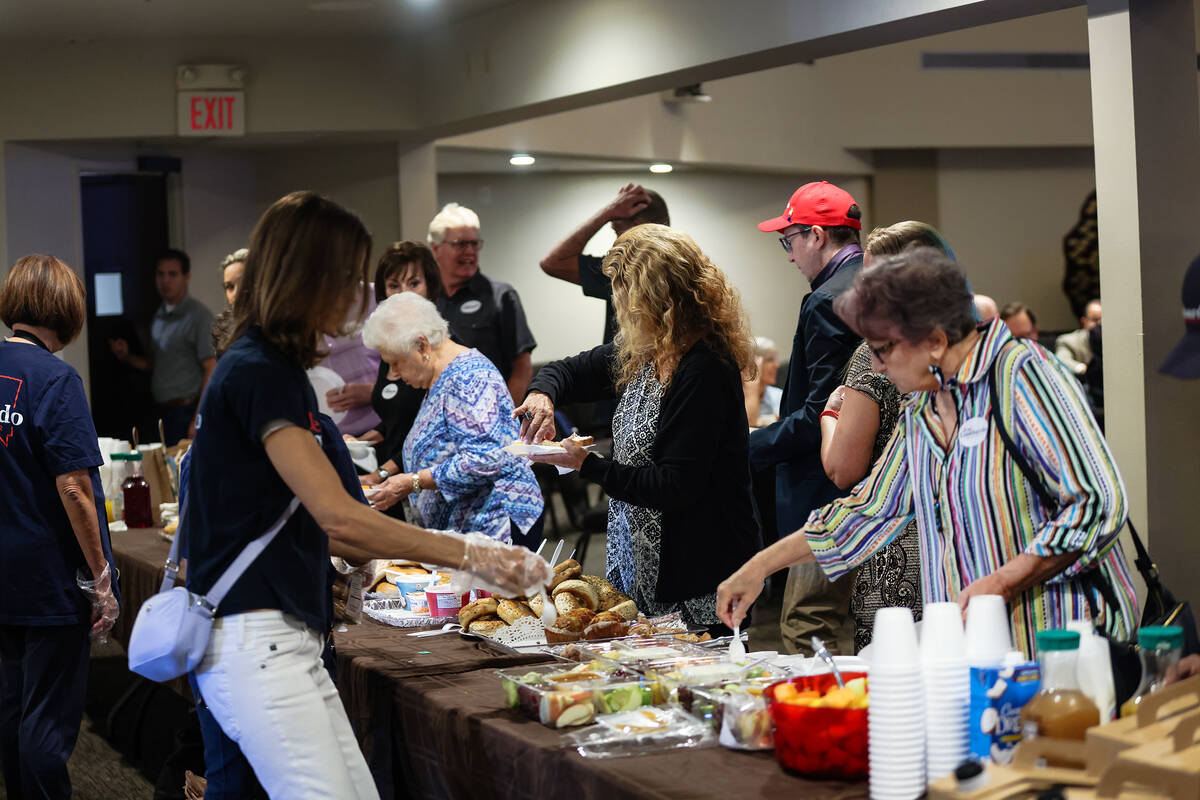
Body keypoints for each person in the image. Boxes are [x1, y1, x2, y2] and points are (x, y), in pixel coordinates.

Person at [185, 191, 552, 797]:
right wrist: (475, 555)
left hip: (282, 631)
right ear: (310, 277)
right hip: (258, 634)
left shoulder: (271, 367)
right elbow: (340, 518)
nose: (362, 294)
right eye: (351, 275)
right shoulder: (259, 370)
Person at [718, 247, 1138, 657]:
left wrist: (1005, 581)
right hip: (978, 647)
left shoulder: (1022, 375)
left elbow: (1098, 503)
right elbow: (869, 511)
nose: (878, 367)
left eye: (884, 350)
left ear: (935, 341)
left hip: (1061, 641)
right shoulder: (924, 406)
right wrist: (758, 567)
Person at [515, 224, 762, 632]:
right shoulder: (647, 351)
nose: (616, 299)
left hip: (698, 563)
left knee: (700, 682)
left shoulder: (703, 368)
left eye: (620, 288)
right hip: (641, 559)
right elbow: (565, 370)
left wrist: (586, 465)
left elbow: (674, 485)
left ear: (651, 295)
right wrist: (543, 395)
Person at [0, 254, 120, 799]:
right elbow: (74, 488)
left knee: (10, 713)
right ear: (65, 310)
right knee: (45, 726)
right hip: (47, 579)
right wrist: (101, 575)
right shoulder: (56, 379)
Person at [820, 220, 956, 651]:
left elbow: (842, 469)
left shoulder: (1014, 371)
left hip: (905, 570)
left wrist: (829, 414)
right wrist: (760, 566)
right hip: (947, 582)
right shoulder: (920, 396)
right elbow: (874, 498)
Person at [748, 180, 865, 655]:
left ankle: (815, 725)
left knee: (807, 626)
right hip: (876, 487)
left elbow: (820, 412)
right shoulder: (873, 280)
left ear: (816, 235)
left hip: (828, 492)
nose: (790, 253)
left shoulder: (826, 300)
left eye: (790, 239)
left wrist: (743, 446)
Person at [360, 292, 544, 547]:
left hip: (495, 530)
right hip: (470, 533)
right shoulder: (442, 378)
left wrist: (414, 481)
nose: (395, 374)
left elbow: (487, 457)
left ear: (422, 346)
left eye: (396, 363)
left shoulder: (468, 378)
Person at [358, 242, 445, 508]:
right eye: (394, 286)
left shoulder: (441, 351)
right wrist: (366, 438)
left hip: (421, 481)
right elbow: (398, 416)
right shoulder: (392, 347)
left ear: (429, 287)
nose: (403, 295)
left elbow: (430, 432)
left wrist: (382, 472)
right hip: (396, 482)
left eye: (413, 283)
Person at [429, 203, 536, 402]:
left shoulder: (501, 295)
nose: (470, 251)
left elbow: (523, 367)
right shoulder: (426, 300)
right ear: (436, 249)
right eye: (460, 244)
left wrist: (505, 416)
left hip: (491, 414)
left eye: (474, 243)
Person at [539, 183, 670, 345]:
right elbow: (552, 263)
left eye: (618, 231)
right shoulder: (619, 273)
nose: (615, 243)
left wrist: (607, 212)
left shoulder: (628, 274)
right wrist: (609, 211)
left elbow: (553, 263)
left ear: (638, 229)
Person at [109, 248, 216, 444]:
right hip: (159, 412)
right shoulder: (159, 316)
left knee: (182, 472)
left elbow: (211, 368)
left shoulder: (199, 316)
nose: (165, 280)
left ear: (186, 277)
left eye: (172, 274)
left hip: (186, 410)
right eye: (161, 274)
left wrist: (198, 419)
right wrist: (127, 357)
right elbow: (155, 363)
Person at [1055, 299, 1102, 377]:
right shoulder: (1068, 341)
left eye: (1103, 320)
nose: (1100, 324)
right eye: (1095, 320)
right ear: (1084, 322)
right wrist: (1085, 369)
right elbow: (1061, 361)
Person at [744, 336, 783, 427]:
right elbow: (748, 424)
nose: (777, 365)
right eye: (770, 360)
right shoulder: (737, 395)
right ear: (753, 363)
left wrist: (761, 420)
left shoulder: (778, 395)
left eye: (776, 360)